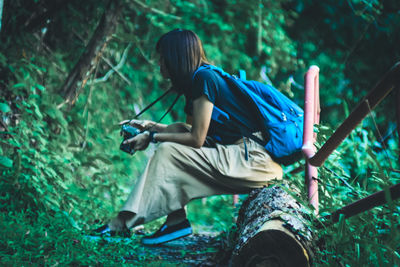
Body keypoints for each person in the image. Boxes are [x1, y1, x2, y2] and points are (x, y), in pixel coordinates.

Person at [94, 29, 283, 245]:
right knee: (174, 142)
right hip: (245, 157)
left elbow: (196, 140)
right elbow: (187, 131)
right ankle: (175, 222)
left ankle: (122, 223)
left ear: (175, 58)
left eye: (162, 59)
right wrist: (150, 127)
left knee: (168, 150)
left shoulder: (204, 78)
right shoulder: (197, 81)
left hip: (255, 162)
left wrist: (153, 137)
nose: (159, 65)